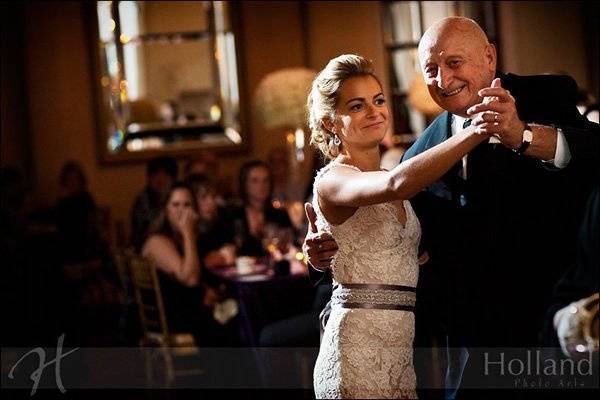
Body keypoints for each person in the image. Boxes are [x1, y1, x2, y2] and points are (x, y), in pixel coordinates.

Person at [304, 17, 599, 399]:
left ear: (489, 58)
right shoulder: (421, 152)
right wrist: (317, 258)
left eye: (454, 63)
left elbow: (594, 156)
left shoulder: (545, 95)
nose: (443, 79)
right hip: (468, 346)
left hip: (547, 326)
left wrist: (523, 135)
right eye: (431, 69)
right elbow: (389, 242)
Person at [307, 53, 492, 399]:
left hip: (402, 350)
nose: (375, 112)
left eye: (378, 101)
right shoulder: (332, 180)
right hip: (356, 348)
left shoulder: (399, 171)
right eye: (357, 106)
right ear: (332, 121)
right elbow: (395, 185)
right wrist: (476, 130)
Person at [141, 182, 237, 346]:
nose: (181, 211)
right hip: (173, 321)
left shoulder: (186, 238)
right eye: (175, 205)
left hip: (189, 311)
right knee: (232, 326)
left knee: (241, 313)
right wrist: (188, 234)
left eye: (187, 205)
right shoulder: (157, 241)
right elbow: (190, 278)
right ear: (165, 209)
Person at [228, 160, 294, 258]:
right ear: (244, 184)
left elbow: (291, 246)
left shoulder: (280, 215)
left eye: (265, 180)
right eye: (255, 181)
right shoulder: (232, 216)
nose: (261, 186)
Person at [130, 156, 178, 252]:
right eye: (155, 174)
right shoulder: (142, 200)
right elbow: (145, 234)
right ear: (149, 177)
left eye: (165, 174)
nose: (160, 179)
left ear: (173, 178)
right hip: (148, 250)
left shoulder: (178, 196)